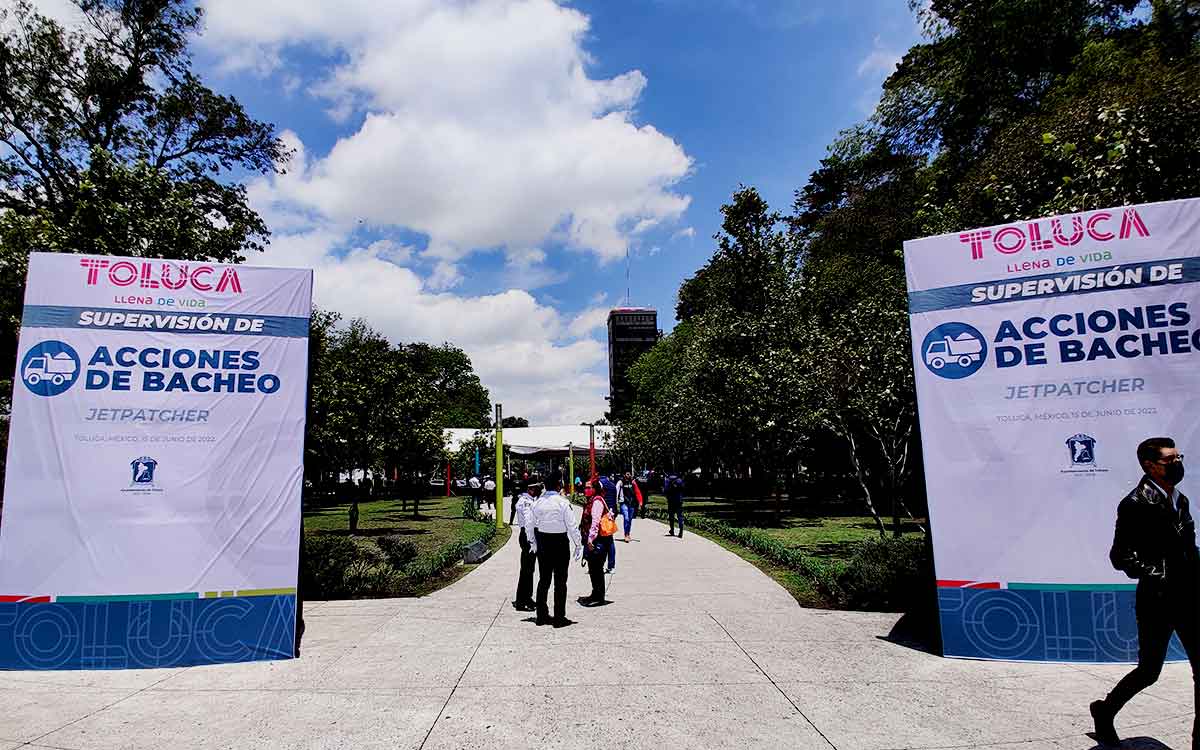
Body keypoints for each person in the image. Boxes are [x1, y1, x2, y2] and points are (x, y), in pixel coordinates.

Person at [1091, 437, 1199, 748]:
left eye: (1179, 457)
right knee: (1149, 671)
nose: (1177, 464)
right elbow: (1120, 556)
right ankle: (1105, 710)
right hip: (1157, 600)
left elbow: (1187, 550)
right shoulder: (1135, 504)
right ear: (1150, 465)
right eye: (1170, 460)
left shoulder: (1181, 500)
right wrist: (1161, 574)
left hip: (1190, 597)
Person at [523, 475, 581, 627]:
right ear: (558, 486)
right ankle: (559, 617)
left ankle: (541, 616)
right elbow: (572, 526)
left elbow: (529, 523)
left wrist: (532, 541)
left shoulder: (538, 503)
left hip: (543, 541)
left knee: (544, 579)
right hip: (560, 542)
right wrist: (578, 544)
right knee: (560, 581)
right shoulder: (563, 503)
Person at [578, 481, 615, 606]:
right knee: (593, 568)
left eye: (588, 487)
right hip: (593, 538)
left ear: (595, 489)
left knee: (597, 568)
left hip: (598, 540)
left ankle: (599, 596)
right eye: (585, 487)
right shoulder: (591, 500)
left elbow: (595, 522)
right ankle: (595, 593)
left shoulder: (597, 501)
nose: (585, 489)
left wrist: (590, 539)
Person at [510, 482, 539, 612]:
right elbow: (528, 521)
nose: (538, 489)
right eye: (536, 487)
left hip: (530, 534)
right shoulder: (525, 501)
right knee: (527, 569)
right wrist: (532, 540)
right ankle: (522, 601)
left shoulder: (530, 499)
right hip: (528, 535)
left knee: (530, 569)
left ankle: (527, 597)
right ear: (530, 488)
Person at [597, 474, 619, 572]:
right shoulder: (613, 485)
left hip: (602, 515)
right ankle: (611, 565)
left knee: (601, 540)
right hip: (611, 514)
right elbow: (615, 501)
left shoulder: (600, 484)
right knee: (609, 540)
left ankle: (599, 564)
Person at [617, 471, 636, 543]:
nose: (628, 475)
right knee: (626, 518)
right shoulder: (620, 482)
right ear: (624, 474)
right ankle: (626, 535)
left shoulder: (633, 482)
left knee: (630, 520)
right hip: (623, 503)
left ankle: (628, 533)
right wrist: (616, 502)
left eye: (629, 474)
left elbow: (637, 491)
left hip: (632, 503)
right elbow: (616, 491)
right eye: (627, 473)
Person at [664, 471, 685, 537]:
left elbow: (665, 490)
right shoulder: (679, 480)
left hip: (671, 501)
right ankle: (681, 531)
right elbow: (683, 489)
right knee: (680, 516)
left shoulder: (667, 480)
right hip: (679, 500)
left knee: (671, 516)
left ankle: (672, 530)